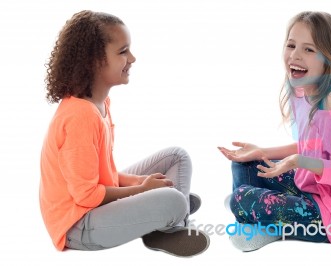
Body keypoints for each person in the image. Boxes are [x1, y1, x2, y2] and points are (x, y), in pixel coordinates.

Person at [40, 10, 209, 257]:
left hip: (94, 206)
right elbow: (87, 196)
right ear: (93, 62)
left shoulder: (100, 105)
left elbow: (102, 176)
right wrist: (142, 191)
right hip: (78, 225)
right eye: (123, 52)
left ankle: (166, 219)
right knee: (174, 200)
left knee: (177, 156)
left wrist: (141, 183)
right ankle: (171, 216)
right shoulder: (80, 116)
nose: (133, 58)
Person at [218, 11, 331, 251]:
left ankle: (255, 218)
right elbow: (313, 146)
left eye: (309, 49)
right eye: (291, 45)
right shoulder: (302, 88)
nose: (295, 55)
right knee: (244, 164)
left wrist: (298, 161)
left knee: (240, 198)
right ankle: (258, 218)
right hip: (310, 188)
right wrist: (261, 151)